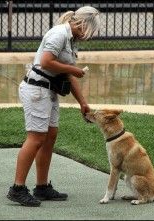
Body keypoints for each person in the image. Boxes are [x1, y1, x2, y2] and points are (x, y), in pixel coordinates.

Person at [7, 6, 100, 207]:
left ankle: (42, 187)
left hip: (49, 90)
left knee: (50, 136)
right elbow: (46, 62)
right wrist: (72, 69)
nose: (88, 37)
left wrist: (83, 103)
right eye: (89, 31)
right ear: (82, 24)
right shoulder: (58, 34)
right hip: (37, 90)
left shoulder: (71, 40)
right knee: (36, 138)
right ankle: (17, 188)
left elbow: (67, 75)